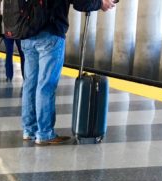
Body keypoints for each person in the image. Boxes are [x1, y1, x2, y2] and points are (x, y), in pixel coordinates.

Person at [8, 0, 116, 146]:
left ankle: (29, 130)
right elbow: (80, 3)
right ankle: (45, 133)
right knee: (46, 85)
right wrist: (100, 3)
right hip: (50, 34)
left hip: (27, 35)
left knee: (30, 84)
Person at [0, 0, 24, 83]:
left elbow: (1, 15)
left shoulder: (2, 2)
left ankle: (9, 76)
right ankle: (25, 75)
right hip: (19, 31)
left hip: (7, 31)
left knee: (9, 54)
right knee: (22, 54)